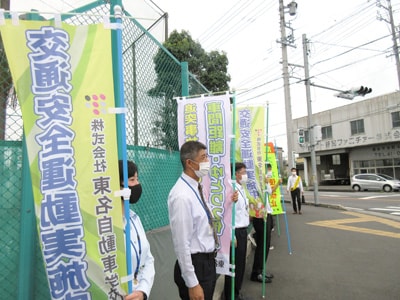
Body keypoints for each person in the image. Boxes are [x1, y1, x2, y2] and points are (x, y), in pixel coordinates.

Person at [168, 141, 218, 300]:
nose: (207, 162)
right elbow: (182, 244)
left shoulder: (196, 187)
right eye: (203, 158)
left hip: (207, 264)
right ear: (189, 163)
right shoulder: (182, 196)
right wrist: (192, 283)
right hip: (197, 268)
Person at [118, 160, 155, 300]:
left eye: (137, 179)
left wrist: (142, 291)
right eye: (132, 180)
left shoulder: (134, 218)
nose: (137, 184)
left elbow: (148, 259)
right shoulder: (106, 226)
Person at [224, 162, 252, 300]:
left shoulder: (241, 188)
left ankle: (236, 292)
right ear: (236, 174)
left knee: (240, 264)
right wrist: (231, 234)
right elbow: (228, 213)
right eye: (243, 172)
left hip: (242, 230)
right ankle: (230, 295)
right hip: (235, 232)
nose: (245, 175)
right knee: (234, 266)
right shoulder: (231, 189)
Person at [249, 168, 281, 284]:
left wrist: (277, 184)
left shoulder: (265, 182)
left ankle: (261, 270)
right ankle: (256, 273)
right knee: (262, 245)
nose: (269, 172)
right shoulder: (256, 183)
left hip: (268, 214)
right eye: (267, 170)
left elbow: (270, 193)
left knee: (266, 245)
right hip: (260, 216)